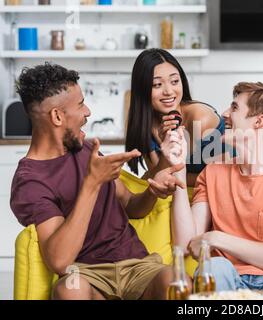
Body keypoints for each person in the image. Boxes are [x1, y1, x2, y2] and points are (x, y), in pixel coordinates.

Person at [10, 63, 189, 300]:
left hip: (137, 265)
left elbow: (132, 207)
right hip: (84, 272)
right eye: (80, 104)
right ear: (57, 116)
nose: (88, 112)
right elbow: (60, 261)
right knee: (69, 290)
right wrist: (92, 184)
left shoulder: (85, 150)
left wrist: (152, 191)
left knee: (176, 280)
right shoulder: (31, 180)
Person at [166, 82, 263, 299]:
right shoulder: (213, 172)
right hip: (227, 278)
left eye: (235, 108)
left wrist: (219, 239)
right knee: (215, 267)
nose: (225, 114)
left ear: (259, 121)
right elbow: (187, 244)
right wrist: (178, 168)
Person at [125, 48, 228, 187]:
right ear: (142, 89)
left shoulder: (200, 117)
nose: (168, 91)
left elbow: (175, 174)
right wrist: (164, 148)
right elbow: (160, 176)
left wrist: (162, 170)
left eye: (174, 81)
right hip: (184, 195)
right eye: (157, 85)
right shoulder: (146, 124)